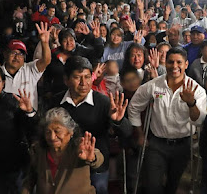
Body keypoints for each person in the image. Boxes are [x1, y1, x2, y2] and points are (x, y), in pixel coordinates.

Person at [128, 48, 207, 194]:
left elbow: (199, 121)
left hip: (182, 144)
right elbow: (133, 107)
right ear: (166, 63)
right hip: (157, 144)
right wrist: (139, 134)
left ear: (186, 64)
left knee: (173, 183)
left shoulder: (197, 90)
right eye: (170, 62)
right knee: (152, 186)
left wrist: (191, 103)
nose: (174, 66)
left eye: (179, 62)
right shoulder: (154, 85)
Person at [49, 56, 132, 194]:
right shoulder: (56, 102)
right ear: (66, 80)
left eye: (87, 77)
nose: (84, 83)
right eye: (77, 77)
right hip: (65, 164)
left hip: (96, 165)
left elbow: (127, 132)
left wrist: (118, 121)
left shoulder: (104, 102)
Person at [21, 107, 104, 194]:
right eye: (48, 132)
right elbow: (30, 179)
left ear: (71, 132)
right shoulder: (38, 150)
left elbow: (98, 158)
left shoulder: (80, 147)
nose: (52, 137)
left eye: (57, 131)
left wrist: (92, 158)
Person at [0, 63, 38, 194]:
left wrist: (29, 111)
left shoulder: (14, 101)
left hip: (13, 169)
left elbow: (33, 130)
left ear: (3, 83)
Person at [0, 23, 51, 110]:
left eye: (21, 54)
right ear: (5, 54)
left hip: (29, 117)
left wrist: (44, 43)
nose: (17, 57)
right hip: (5, 120)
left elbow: (46, 61)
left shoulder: (30, 69)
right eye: (13, 53)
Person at [44, 23, 104, 97]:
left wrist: (96, 38)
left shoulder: (81, 51)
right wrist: (47, 91)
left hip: (78, 92)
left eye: (71, 40)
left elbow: (98, 53)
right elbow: (47, 75)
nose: (69, 43)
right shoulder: (54, 54)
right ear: (60, 42)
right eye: (65, 40)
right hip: (58, 93)